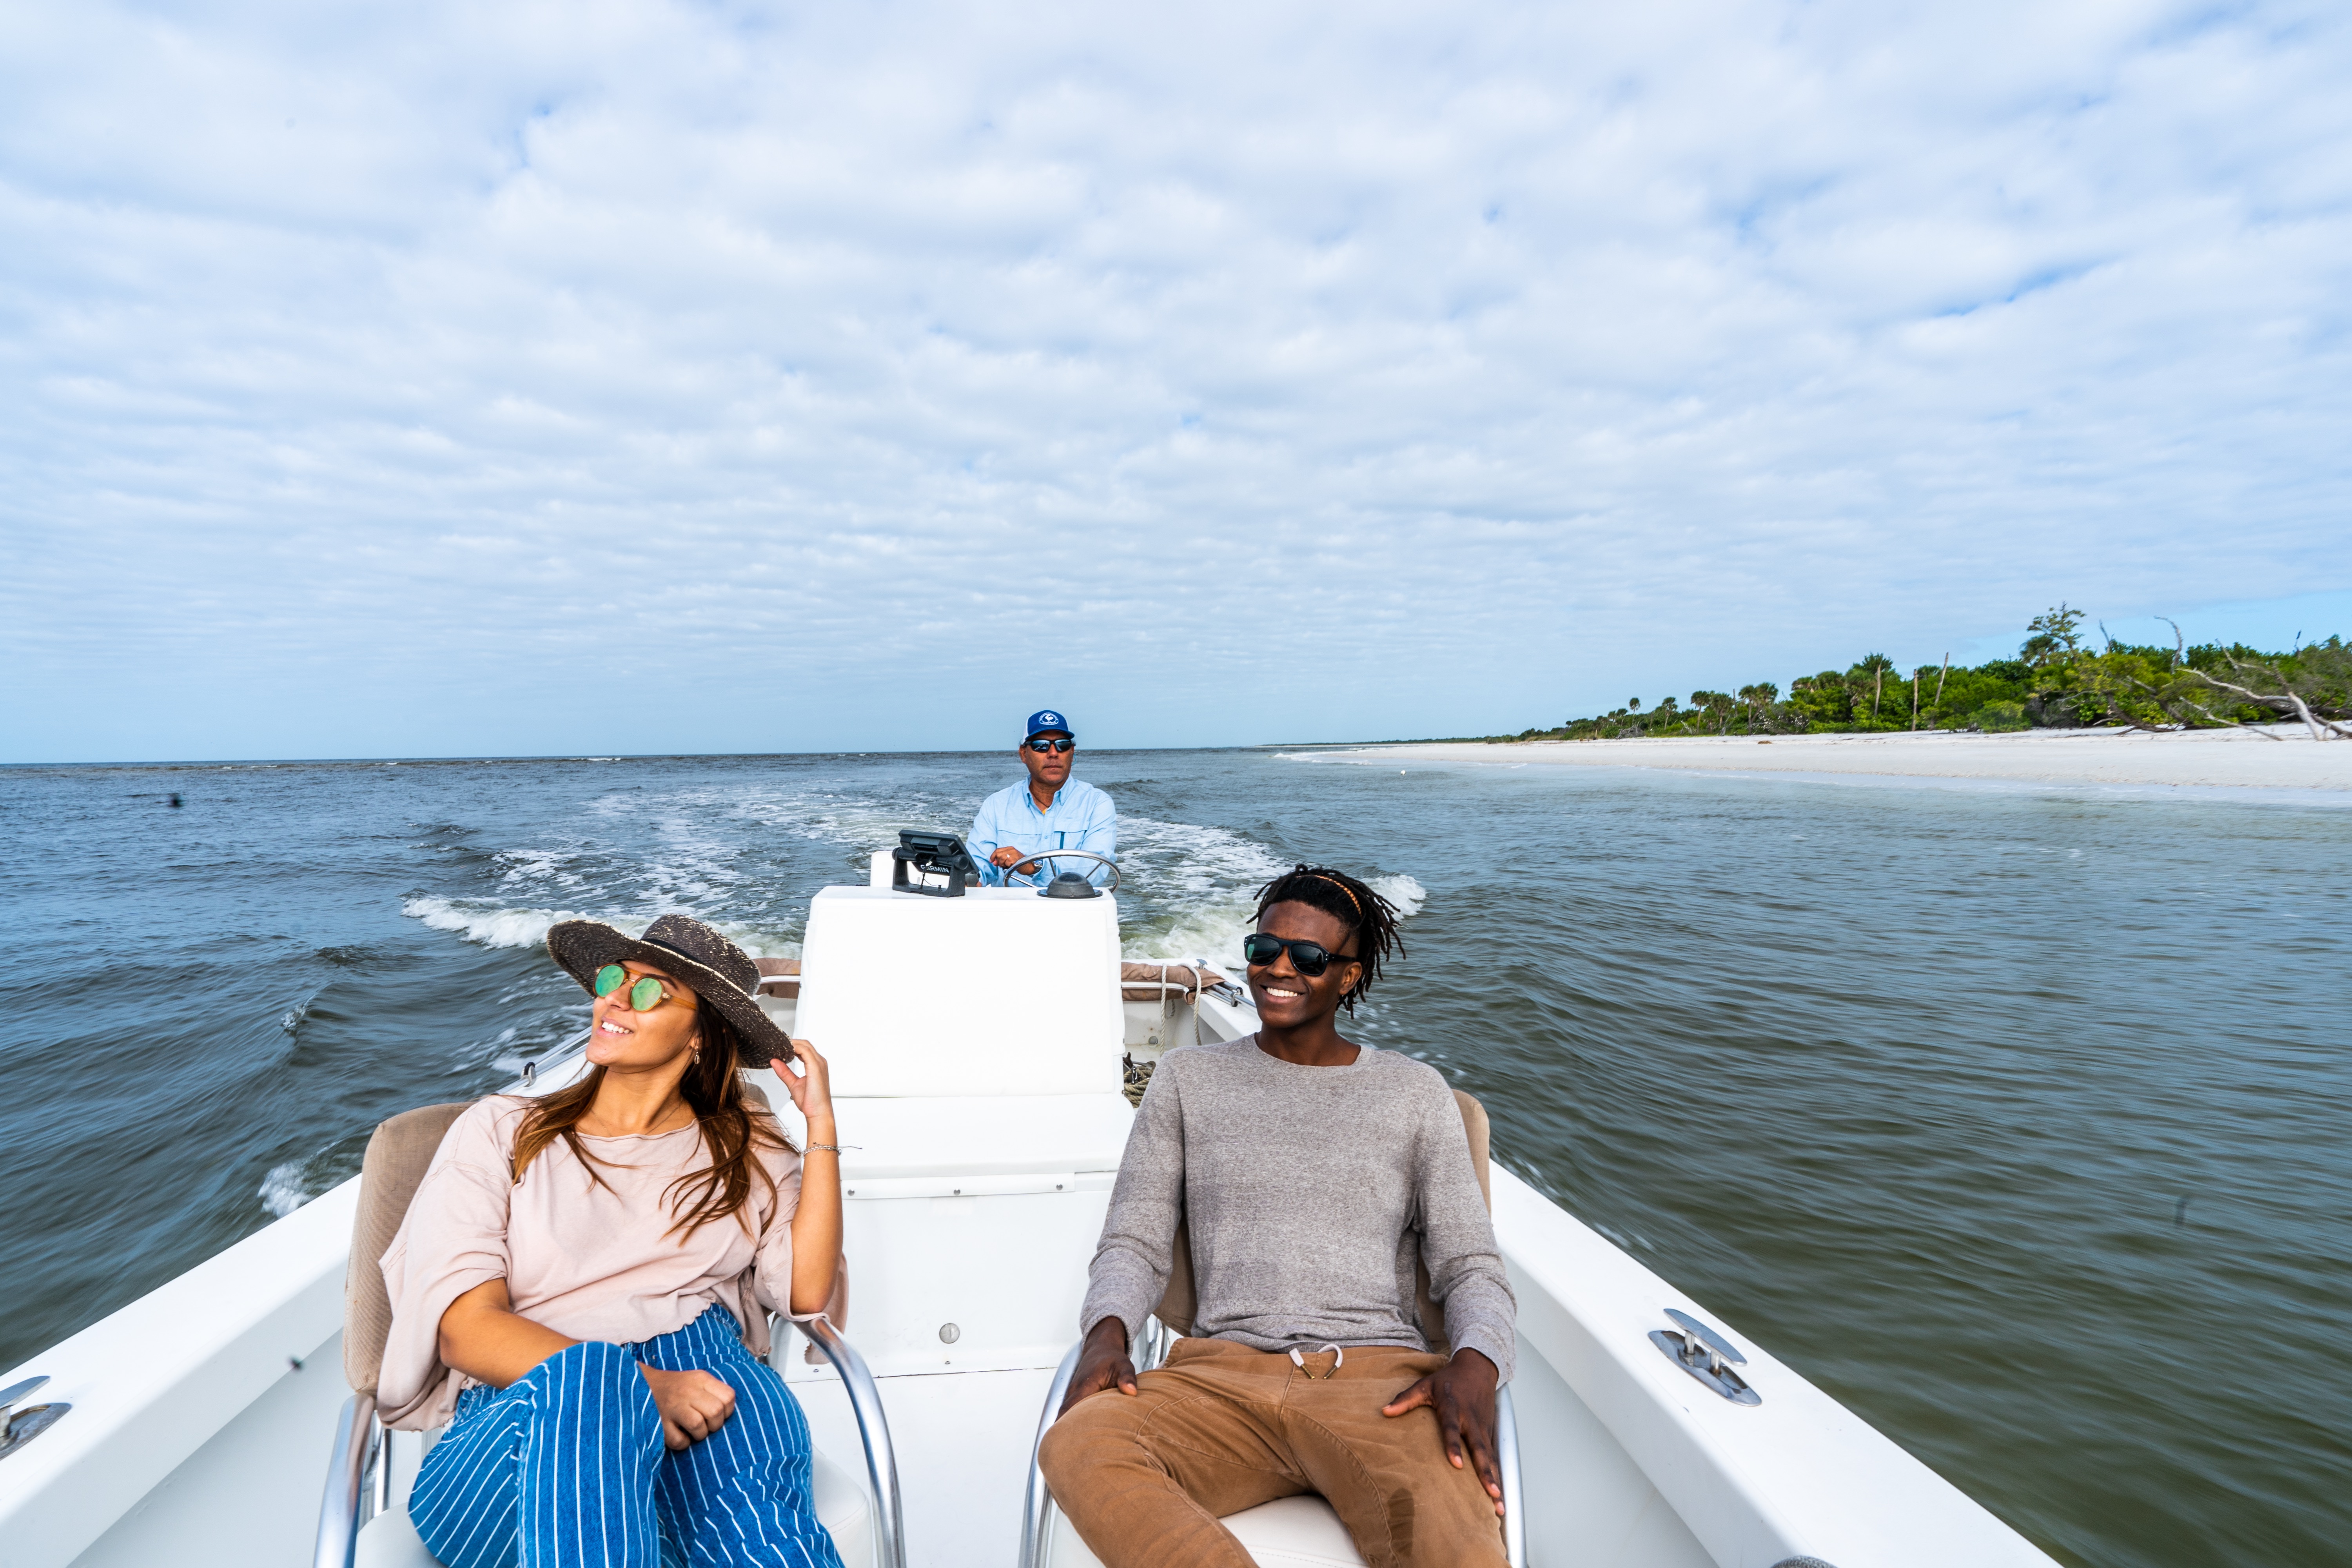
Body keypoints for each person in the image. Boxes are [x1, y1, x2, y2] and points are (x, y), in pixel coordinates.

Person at [1038, 866, 1514, 1568]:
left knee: (1461, 1552)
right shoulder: (1185, 1079)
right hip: (1219, 1380)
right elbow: (1134, 1242)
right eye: (1264, 950)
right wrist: (1106, 1335)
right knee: (1078, 1445)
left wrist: (1477, 1365)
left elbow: (1470, 1265)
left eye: (1310, 958)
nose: (1278, 970)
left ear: (1348, 976)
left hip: (1380, 1387)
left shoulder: (1414, 1094)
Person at [377, 913, 847, 1568]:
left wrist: (820, 1125)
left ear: (702, 1038)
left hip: (708, 1382)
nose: (615, 999)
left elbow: (805, 1291)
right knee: (590, 1380)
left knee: (767, 1546)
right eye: (611, 979)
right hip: (536, 1395)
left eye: (651, 990)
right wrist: (638, 1386)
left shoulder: (750, 1149)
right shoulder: (500, 1131)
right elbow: (464, 1328)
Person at [967, 708, 1117, 886]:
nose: (1053, 753)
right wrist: (969, 881)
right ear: (1024, 754)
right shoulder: (997, 805)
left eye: (1063, 745)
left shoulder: (1097, 804)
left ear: (1072, 752)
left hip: (1073, 910)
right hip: (1010, 912)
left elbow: (1094, 870)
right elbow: (978, 867)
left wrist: (1034, 866)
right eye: (1041, 745)